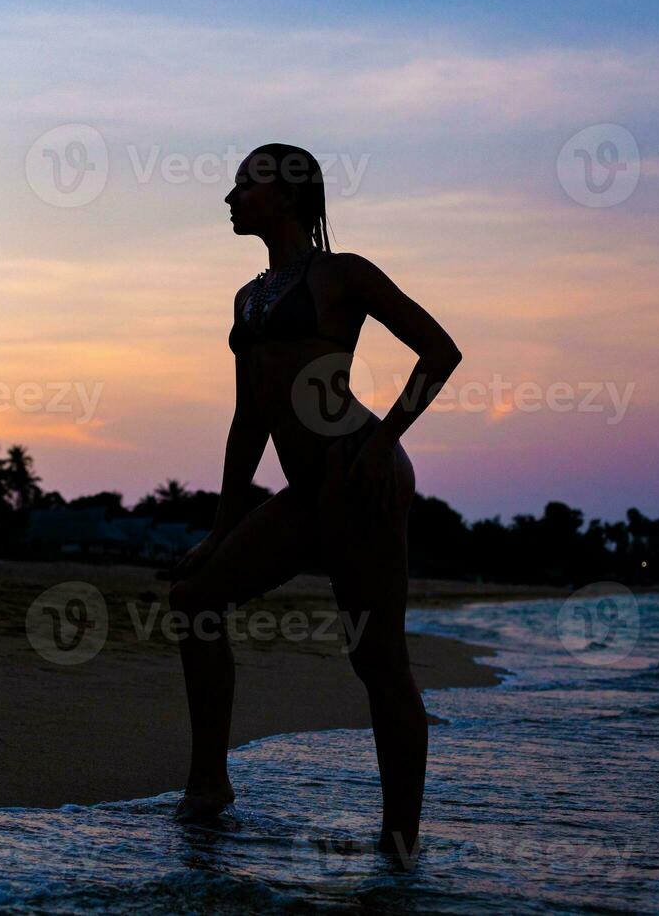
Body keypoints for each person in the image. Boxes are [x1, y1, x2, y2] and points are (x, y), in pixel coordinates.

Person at [166, 143, 462, 857]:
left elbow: (440, 351)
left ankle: (400, 845)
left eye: (245, 182)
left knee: (377, 660)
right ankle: (208, 784)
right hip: (305, 490)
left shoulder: (343, 274)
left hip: (359, 478)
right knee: (196, 598)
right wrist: (219, 528)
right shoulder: (249, 296)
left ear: (289, 193)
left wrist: (384, 439)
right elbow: (249, 423)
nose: (231, 196)